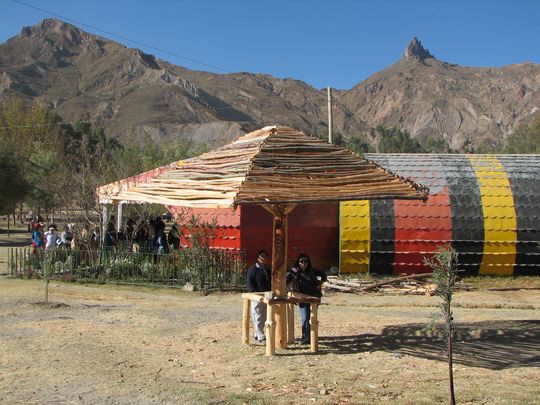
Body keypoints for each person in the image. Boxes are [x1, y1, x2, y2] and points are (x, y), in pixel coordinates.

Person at [286, 253, 327, 344]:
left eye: (306, 261)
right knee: (305, 318)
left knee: (312, 318)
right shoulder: (294, 271)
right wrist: (287, 290)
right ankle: (305, 337)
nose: (303, 263)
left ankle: (311, 337)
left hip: (314, 297)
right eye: (301, 261)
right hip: (302, 298)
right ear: (298, 262)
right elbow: (286, 280)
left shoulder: (311, 270)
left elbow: (324, 275)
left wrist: (319, 285)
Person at [246, 250, 272, 343]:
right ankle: (260, 334)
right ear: (258, 258)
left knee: (264, 315)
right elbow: (249, 283)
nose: (264, 258)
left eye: (265, 256)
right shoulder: (252, 269)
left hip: (266, 295)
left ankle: (258, 333)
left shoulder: (268, 270)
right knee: (256, 315)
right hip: (256, 295)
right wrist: (254, 292)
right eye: (262, 256)